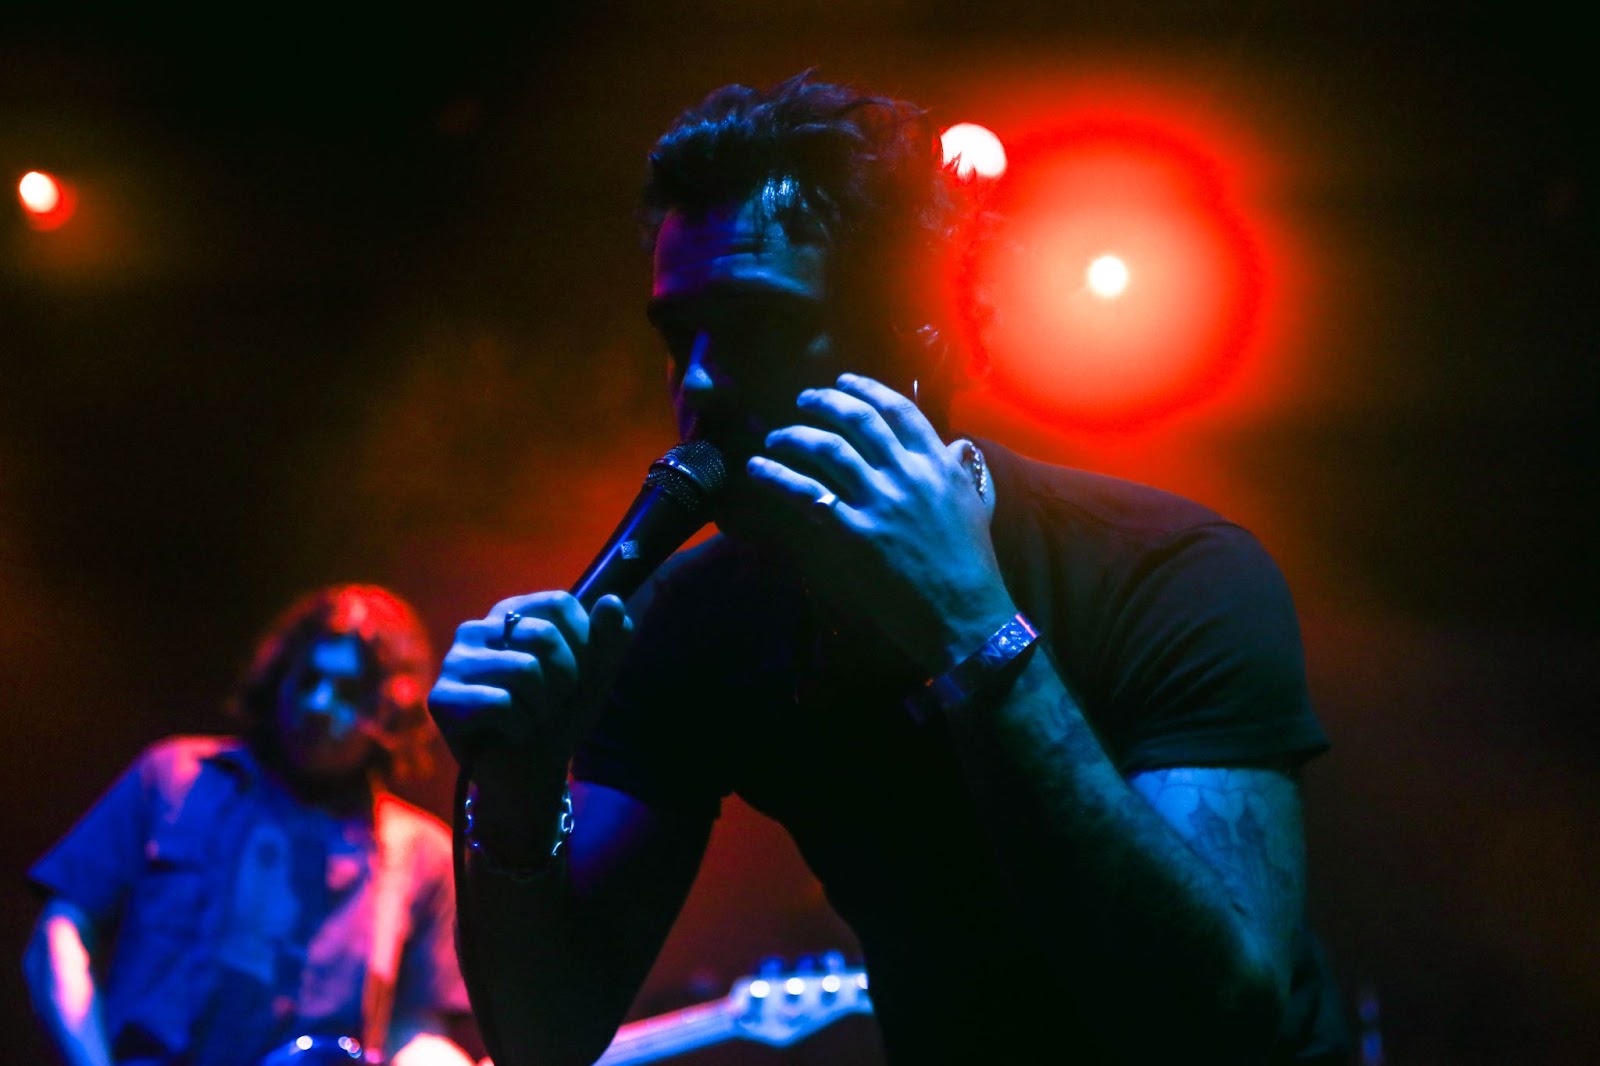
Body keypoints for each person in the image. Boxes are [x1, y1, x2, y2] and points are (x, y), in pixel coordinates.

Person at [428, 72, 1350, 1065]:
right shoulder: (694, 621)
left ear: (919, 335)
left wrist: (972, 628)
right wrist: (516, 796)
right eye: (678, 334)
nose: (698, 379)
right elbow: (544, 1041)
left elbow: (1224, 1016)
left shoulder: (1169, 571)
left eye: (759, 325)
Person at [25, 584, 478, 1066]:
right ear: (278, 678)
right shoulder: (174, 777)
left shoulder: (422, 853)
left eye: (349, 691)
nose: (319, 704)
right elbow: (61, 933)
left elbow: (414, 1032)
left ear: (390, 709)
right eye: (307, 680)